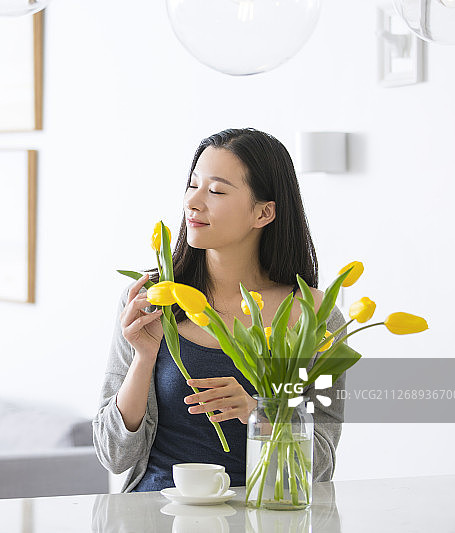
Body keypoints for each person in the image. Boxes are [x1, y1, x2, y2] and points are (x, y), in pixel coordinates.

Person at [92, 128, 347, 493]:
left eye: (216, 190)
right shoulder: (152, 299)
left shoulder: (312, 317)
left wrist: (256, 414)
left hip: (264, 516)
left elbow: (320, 464)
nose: (193, 202)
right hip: (156, 513)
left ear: (264, 213)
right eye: (193, 185)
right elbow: (113, 454)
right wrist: (143, 358)